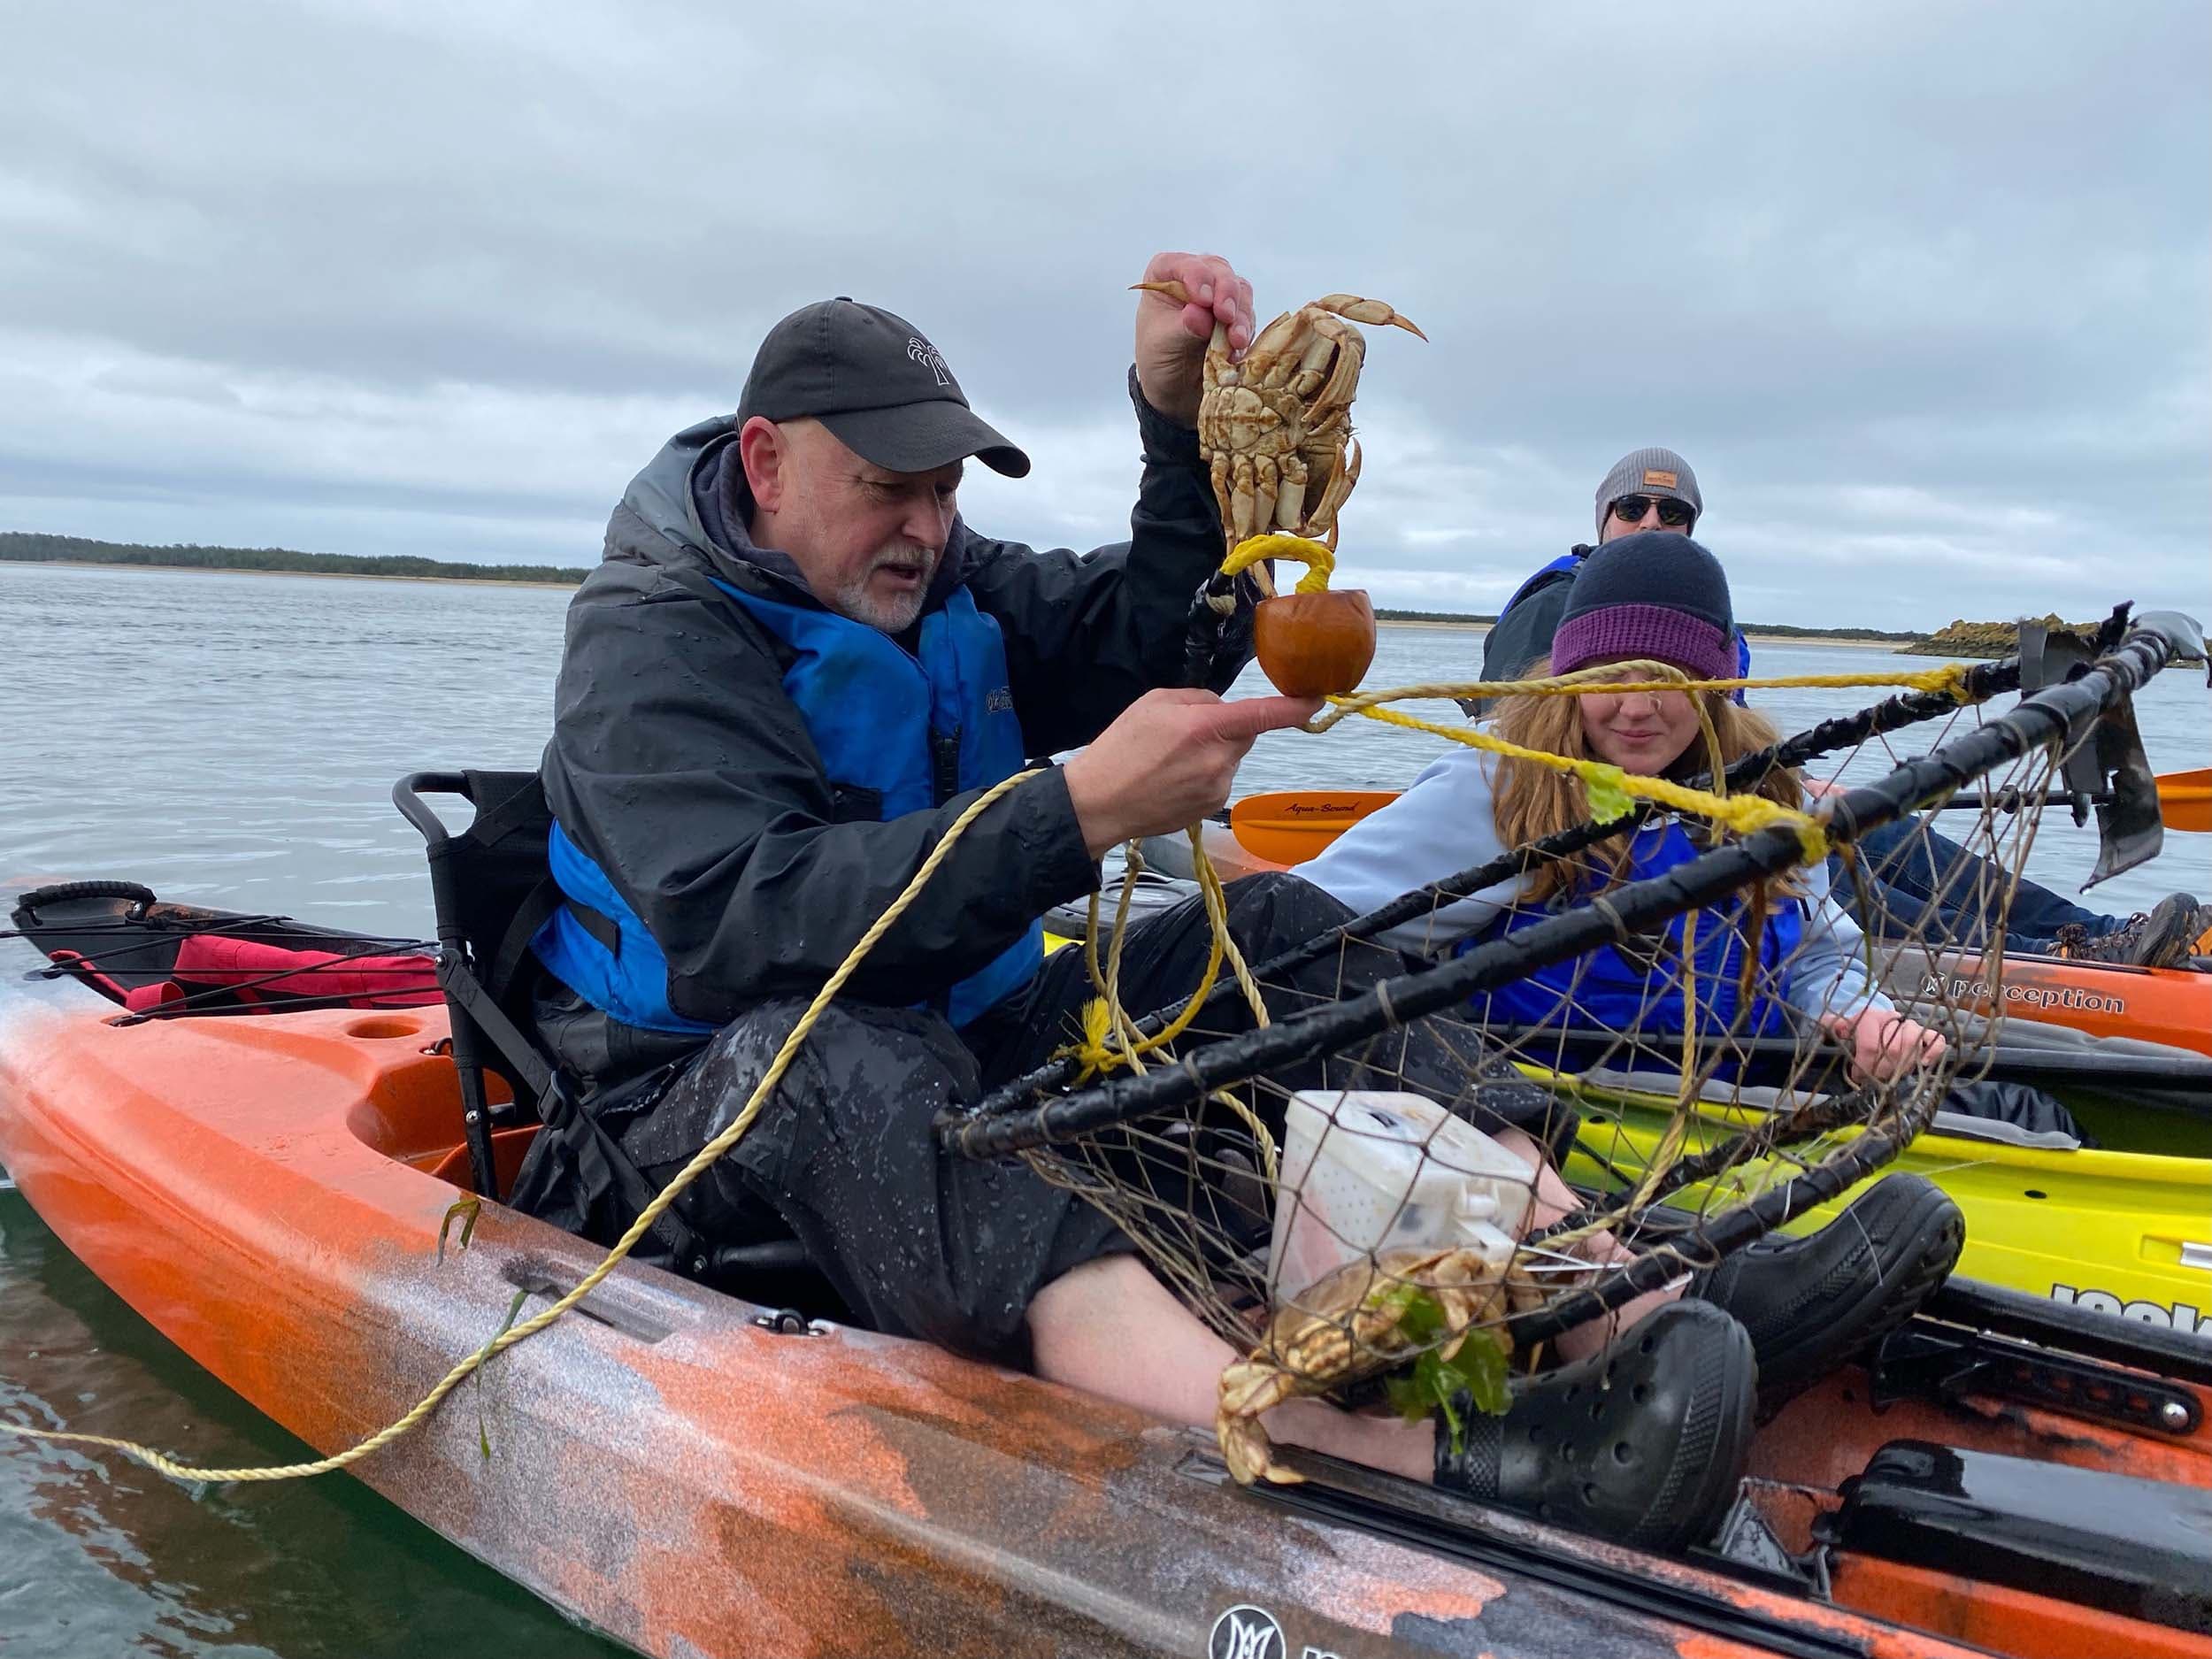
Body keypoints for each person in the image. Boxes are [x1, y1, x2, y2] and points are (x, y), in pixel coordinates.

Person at [506, 265, 1939, 1555]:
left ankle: (1626, 1299)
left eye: (946, 490)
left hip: (969, 1020)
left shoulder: (942, 579)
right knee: (842, 1063)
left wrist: (1173, 418)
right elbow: (743, 924)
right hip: (693, 1101)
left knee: (1279, 936)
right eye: (891, 486)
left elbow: (1154, 631)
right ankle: (1408, 1456)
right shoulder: (650, 648)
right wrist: (1069, 816)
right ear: (766, 459)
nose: (928, 523)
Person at [1304, 531, 2087, 1145]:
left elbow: (1818, 952)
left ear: (1713, 687)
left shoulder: (1764, 789)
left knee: (2029, 1109)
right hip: (1576, 1115)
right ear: (1564, 682)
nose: (1636, 706)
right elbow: (1309, 924)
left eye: (1668, 679)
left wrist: (1863, 1017)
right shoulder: (1498, 790)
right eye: (1607, 676)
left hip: (1759, 1094)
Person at [1473, 447, 2208, 969]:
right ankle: (2048, 961)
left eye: (1674, 510)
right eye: (1632, 507)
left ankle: (2098, 931)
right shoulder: (1556, 608)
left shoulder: (1698, 615)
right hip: (1606, 830)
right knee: (1834, 858)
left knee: (1890, 826)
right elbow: (1525, 751)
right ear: (1602, 517)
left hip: (1708, 801)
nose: (1652, 521)